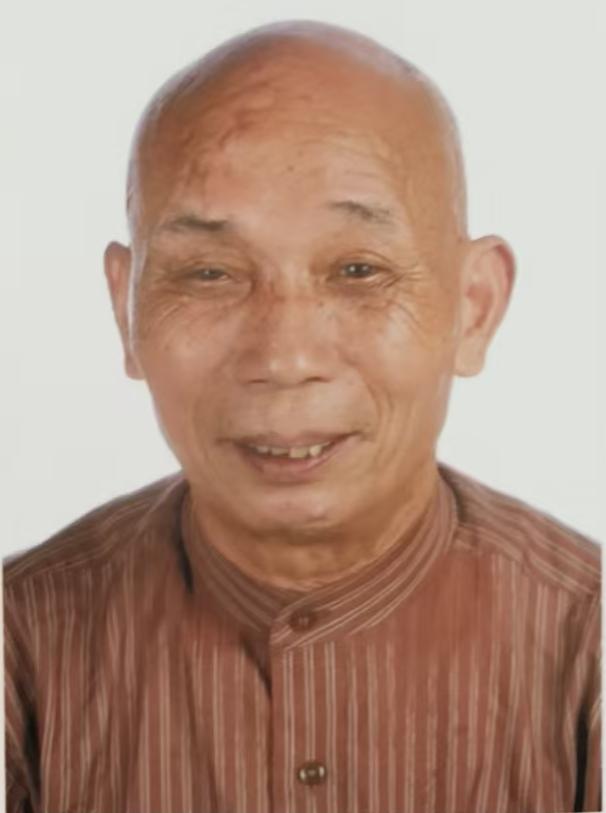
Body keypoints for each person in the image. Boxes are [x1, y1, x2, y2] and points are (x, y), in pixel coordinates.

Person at [4, 19, 600, 813]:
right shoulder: (20, 645)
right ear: (127, 308)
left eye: (357, 269)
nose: (285, 356)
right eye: (209, 273)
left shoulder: (587, 645)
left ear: (474, 305)